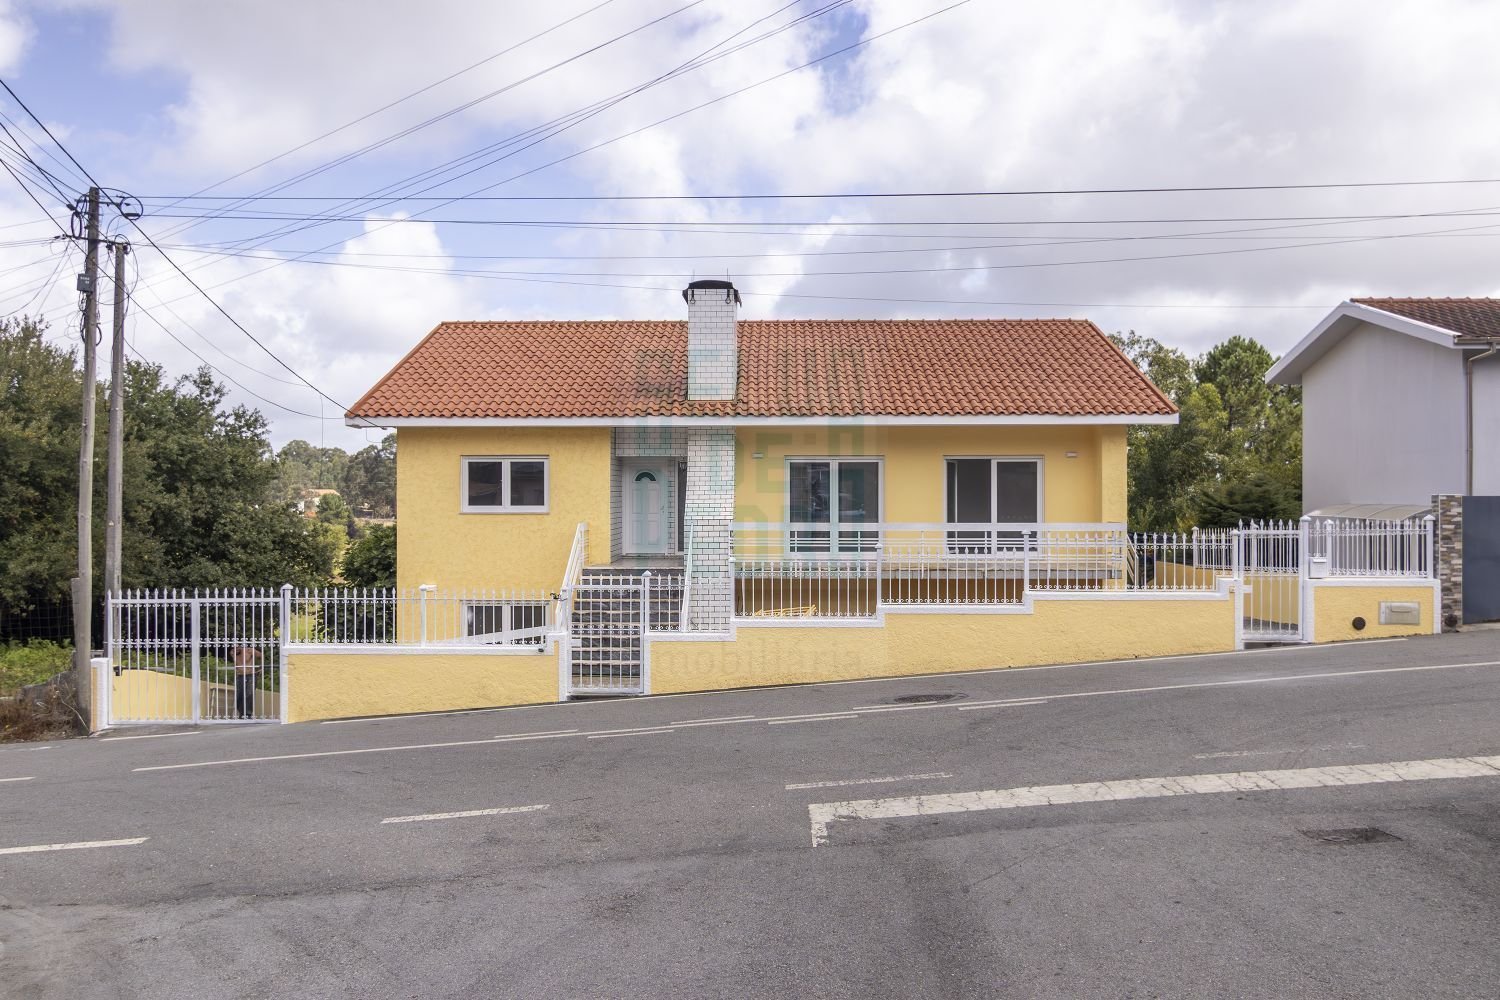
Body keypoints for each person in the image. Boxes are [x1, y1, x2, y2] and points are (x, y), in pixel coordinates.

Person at [232, 645, 261, 719]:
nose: (236, 648)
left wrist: (261, 667)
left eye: (237, 647)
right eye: (234, 647)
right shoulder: (232, 652)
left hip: (250, 675)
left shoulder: (249, 650)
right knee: (239, 695)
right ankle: (241, 713)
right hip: (240, 675)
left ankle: (248, 714)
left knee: (249, 694)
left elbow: (261, 656)